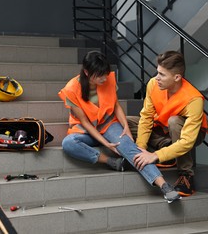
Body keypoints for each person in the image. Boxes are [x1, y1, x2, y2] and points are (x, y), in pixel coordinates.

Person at [58, 50, 181, 203]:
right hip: (86, 130)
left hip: (108, 124)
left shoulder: (108, 78)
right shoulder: (71, 89)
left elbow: (115, 105)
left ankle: (164, 186)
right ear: (87, 72)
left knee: (128, 146)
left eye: (105, 73)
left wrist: (126, 129)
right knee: (68, 143)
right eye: (99, 75)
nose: (104, 78)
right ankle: (111, 162)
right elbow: (84, 122)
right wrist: (106, 144)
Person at [127, 50, 208, 197]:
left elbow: (187, 142)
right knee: (127, 121)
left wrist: (155, 156)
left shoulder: (194, 99)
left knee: (174, 121)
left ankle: (186, 175)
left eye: (162, 74)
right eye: (157, 72)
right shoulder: (153, 84)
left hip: (191, 135)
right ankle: (167, 148)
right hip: (163, 128)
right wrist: (141, 148)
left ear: (177, 77)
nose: (156, 78)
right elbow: (146, 117)